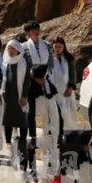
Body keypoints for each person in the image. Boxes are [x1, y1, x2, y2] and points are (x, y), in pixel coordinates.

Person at [1, 39, 32, 176]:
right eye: (9, 48)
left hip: (20, 99)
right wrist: (0, 93)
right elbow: (4, 79)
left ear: (18, 50)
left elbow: (26, 81)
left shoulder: (23, 63)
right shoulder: (7, 63)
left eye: (12, 48)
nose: (10, 51)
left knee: (22, 126)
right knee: (8, 123)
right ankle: (10, 151)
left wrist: (24, 96)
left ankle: (23, 158)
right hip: (9, 98)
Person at [22, 21, 52, 150]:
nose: (37, 32)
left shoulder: (47, 45)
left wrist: (45, 78)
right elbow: (23, 66)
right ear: (28, 33)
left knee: (46, 111)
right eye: (34, 30)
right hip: (30, 81)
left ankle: (48, 137)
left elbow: (51, 64)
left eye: (38, 29)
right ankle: (33, 138)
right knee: (31, 112)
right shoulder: (23, 47)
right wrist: (34, 77)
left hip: (45, 80)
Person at [52, 37, 79, 133]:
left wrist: (70, 87)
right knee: (56, 113)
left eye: (60, 46)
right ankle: (58, 132)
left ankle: (69, 131)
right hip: (54, 91)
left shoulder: (68, 58)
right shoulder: (50, 58)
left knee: (68, 111)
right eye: (55, 46)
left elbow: (72, 73)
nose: (57, 48)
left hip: (66, 90)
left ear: (63, 47)